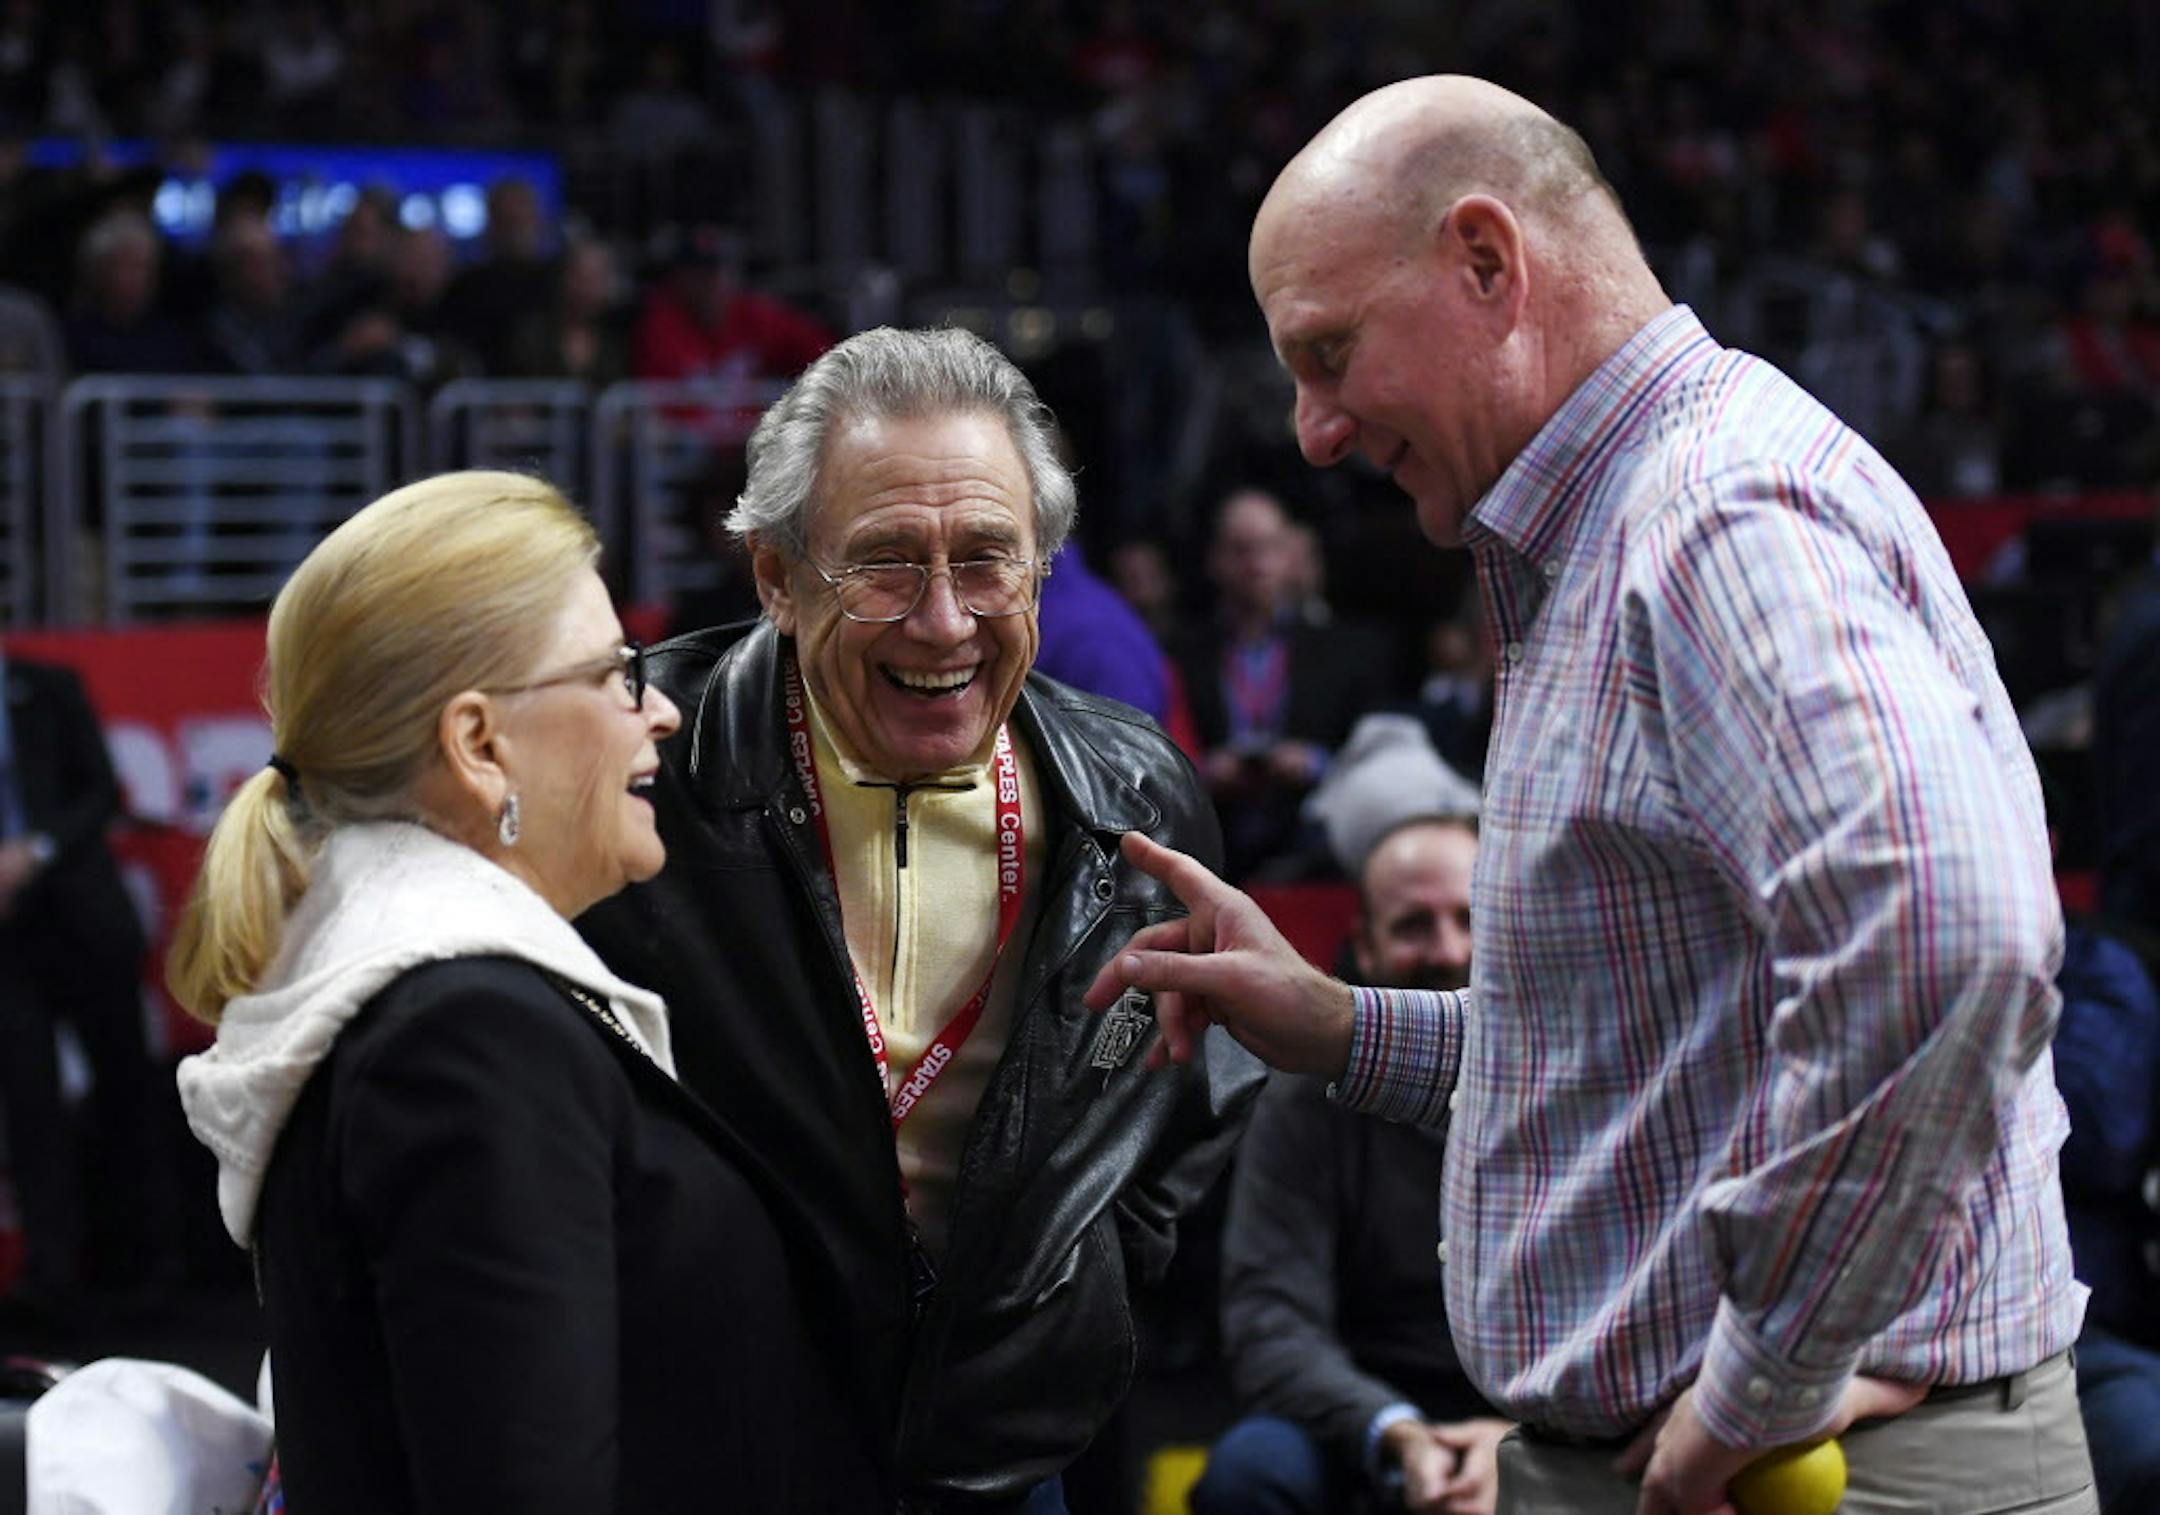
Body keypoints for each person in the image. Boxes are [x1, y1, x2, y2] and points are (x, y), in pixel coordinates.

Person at [1089, 76, 2093, 1514]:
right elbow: (1664, 1054)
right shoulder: (1645, 519)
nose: (1313, 429)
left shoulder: (1711, 518)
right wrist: (1337, 1021)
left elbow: (1949, 939)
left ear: (1488, 262)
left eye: (1328, 351)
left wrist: (1765, 1378)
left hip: (1815, 1475)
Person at [578, 326, 1264, 1511]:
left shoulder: (1137, 792)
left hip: (1002, 1450)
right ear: (778, 580)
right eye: (886, 563)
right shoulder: (638, 766)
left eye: (988, 560)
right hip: (706, 1444)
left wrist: (1084, 1271)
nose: (945, 621)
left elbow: (1198, 1087)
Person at [169, 472, 876, 1512]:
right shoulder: (472, 1039)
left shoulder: (420, 996)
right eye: (618, 674)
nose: (664, 712)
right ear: (477, 745)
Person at [1194, 815, 1508, 1515]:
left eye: (1469, 917)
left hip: (1545, 1408)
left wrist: (1520, 1437)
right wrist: (1397, 1432)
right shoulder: (1309, 1094)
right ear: (1363, 947)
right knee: (1251, 1471)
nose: (1448, 948)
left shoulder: (1578, 1080)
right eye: (1413, 925)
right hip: (1363, 1408)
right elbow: (1269, 1314)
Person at [0, 651, 158, 1315]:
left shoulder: (49, 686)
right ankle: (51, 1278)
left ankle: (149, 1269)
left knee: (126, 1091)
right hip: (7, 941)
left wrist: (32, 851)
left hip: (84, 921)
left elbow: (100, 792)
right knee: (29, 1106)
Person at [1174, 487, 1389, 879]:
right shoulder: (1182, 652)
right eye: (1241, 550)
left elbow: (1377, 751)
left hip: (1315, 847)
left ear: (1291, 553)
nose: (1256, 563)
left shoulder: (1345, 650)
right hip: (1214, 844)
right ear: (1216, 560)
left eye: (1268, 547)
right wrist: (1203, 771)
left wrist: (1315, 763)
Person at [2050, 912, 2160, 1514]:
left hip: (2086, 1328)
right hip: (1878, 1331)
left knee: (2147, 1441)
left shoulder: (2093, 969)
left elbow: (2101, 1134)